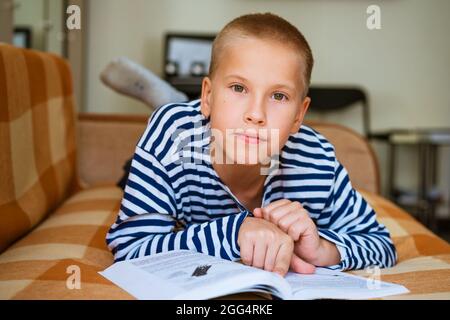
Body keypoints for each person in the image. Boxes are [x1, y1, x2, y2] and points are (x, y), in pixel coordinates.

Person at [106, 12, 397, 276]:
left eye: (279, 96)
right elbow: (130, 248)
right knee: (138, 167)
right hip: (190, 140)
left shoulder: (316, 159)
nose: (256, 114)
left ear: (299, 115)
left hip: (215, 127)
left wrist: (323, 249)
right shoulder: (170, 135)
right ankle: (173, 100)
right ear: (207, 95)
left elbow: (382, 245)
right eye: (238, 88)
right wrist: (235, 232)